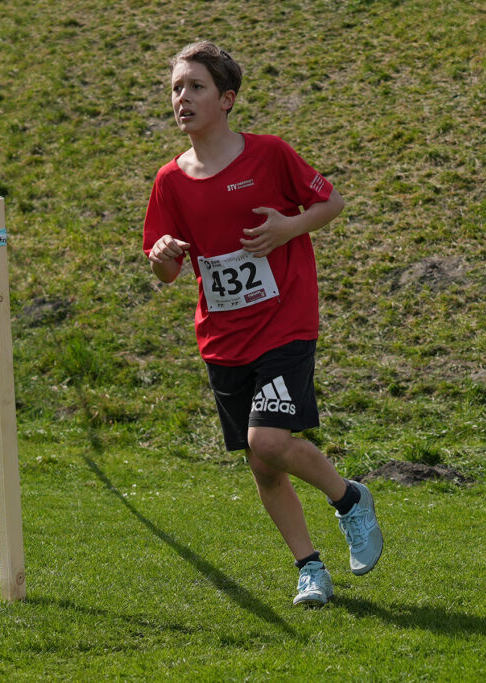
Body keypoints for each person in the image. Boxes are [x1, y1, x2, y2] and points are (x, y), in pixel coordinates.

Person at [142, 41, 383, 607]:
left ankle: (349, 500)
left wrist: (287, 228)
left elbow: (332, 204)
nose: (183, 98)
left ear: (226, 100)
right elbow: (166, 269)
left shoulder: (270, 154)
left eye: (196, 87)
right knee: (261, 460)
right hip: (223, 336)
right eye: (176, 88)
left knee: (268, 440)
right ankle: (310, 568)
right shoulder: (169, 182)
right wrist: (163, 256)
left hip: (284, 321)